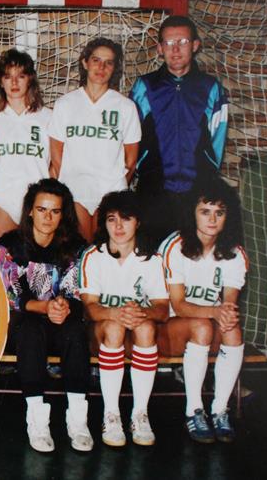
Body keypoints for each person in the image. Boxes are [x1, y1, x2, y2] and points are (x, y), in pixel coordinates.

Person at [0, 179, 92, 452]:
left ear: (63, 214)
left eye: (55, 211)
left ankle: (78, 420)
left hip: (60, 321)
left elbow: (78, 292)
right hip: (22, 324)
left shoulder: (76, 247)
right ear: (30, 211)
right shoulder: (7, 246)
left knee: (75, 331)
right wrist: (45, 307)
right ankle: (36, 419)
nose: (48, 217)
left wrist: (63, 306)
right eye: (42, 210)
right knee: (31, 330)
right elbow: (9, 296)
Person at [158, 178, 247, 443]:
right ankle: (194, 410)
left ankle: (219, 410)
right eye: (205, 211)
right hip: (167, 328)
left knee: (231, 328)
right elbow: (178, 305)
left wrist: (225, 313)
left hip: (205, 327)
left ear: (228, 217)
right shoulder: (175, 247)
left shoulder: (235, 253)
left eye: (219, 213)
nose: (212, 219)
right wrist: (216, 312)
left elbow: (228, 303)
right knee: (203, 325)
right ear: (192, 213)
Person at [79, 190, 169, 447]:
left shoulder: (151, 259)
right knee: (114, 328)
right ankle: (112, 414)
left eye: (126, 219)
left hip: (138, 330)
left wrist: (141, 313)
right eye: (111, 219)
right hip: (102, 331)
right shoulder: (94, 256)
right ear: (104, 223)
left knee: (146, 327)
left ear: (138, 222)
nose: (118, 226)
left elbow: (162, 309)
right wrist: (115, 313)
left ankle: (140, 414)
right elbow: (89, 308)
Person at [131, 15, 229, 244]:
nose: (175, 49)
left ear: (195, 45)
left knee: (193, 253)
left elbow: (218, 137)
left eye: (183, 42)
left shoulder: (210, 88)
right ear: (159, 49)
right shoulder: (145, 86)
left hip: (197, 188)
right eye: (169, 43)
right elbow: (132, 135)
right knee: (152, 253)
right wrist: (141, 167)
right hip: (154, 187)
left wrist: (207, 170)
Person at [50, 37, 140, 241]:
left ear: (114, 68)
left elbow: (131, 160)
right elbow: (56, 155)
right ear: (85, 63)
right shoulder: (65, 104)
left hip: (110, 191)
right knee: (79, 250)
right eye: (96, 60)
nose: (101, 67)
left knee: (104, 250)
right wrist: (70, 184)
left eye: (108, 63)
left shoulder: (125, 107)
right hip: (75, 192)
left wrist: (114, 187)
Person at [0, 48, 52, 244]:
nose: (14, 83)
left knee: (36, 262)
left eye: (20, 76)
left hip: (37, 203)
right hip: (1, 201)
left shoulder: (49, 118)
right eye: (8, 77)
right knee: (3, 261)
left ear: (30, 79)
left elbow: (57, 164)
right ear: (0, 81)